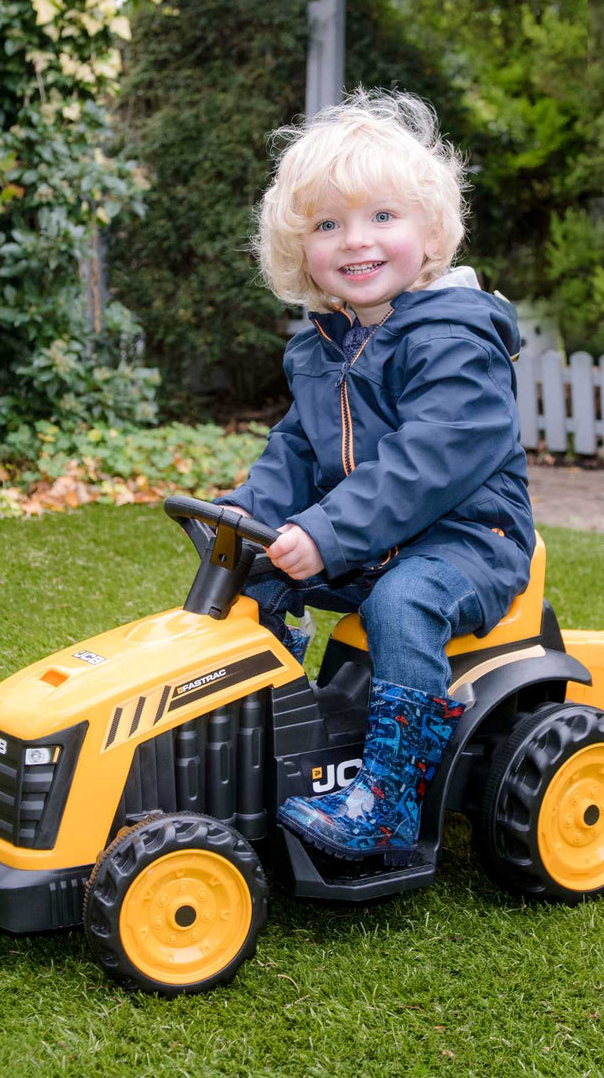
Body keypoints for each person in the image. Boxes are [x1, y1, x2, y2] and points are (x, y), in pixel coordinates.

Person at [218, 89, 535, 865]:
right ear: (301, 250)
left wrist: (326, 533)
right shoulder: (321, 348)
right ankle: (269, 728)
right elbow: (295, 451)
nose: (355, 241)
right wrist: (244, 518)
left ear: (431, 233)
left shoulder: (456, 340)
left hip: (467, 541)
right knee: (254, 577)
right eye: (329, 224)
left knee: (402, 602)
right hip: (369, 539)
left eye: (381, 218)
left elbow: (431, 461)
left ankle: (390, 797)